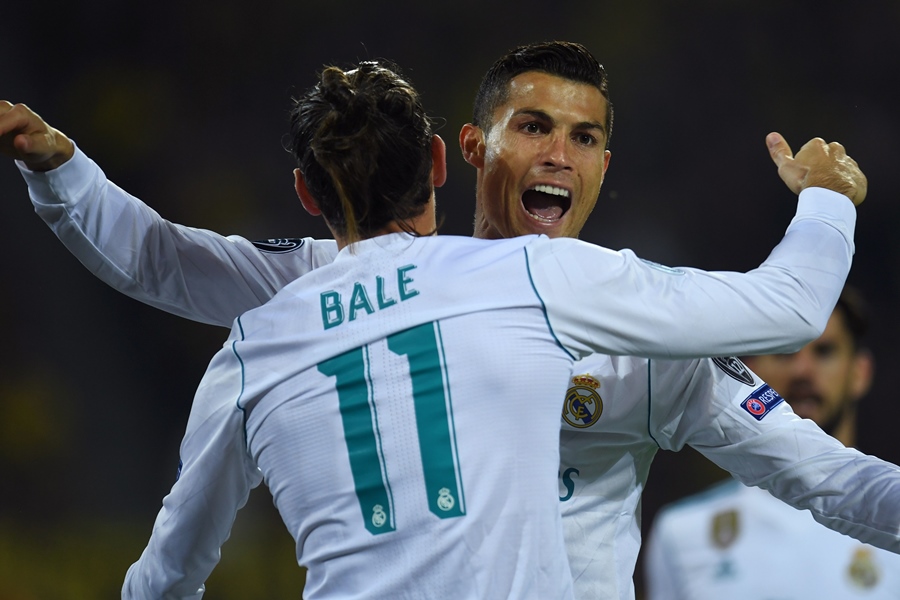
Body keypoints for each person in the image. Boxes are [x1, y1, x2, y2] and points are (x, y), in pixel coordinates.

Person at [2, 42, 895, 600]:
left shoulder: (643, 333)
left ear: (604, 163)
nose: (558, 154)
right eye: (534, 126)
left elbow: (833, 481)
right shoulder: (326, 287)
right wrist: (63, 169)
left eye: (583, 139)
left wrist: (61, 173)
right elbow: (167, 260)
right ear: (463, 151)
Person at [644, 287, 900, 599]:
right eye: (785, 351)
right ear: (749, 370)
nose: (803, 371)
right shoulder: (683, 531)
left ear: (860, 372)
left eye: (825, 352)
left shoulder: (892, 513)